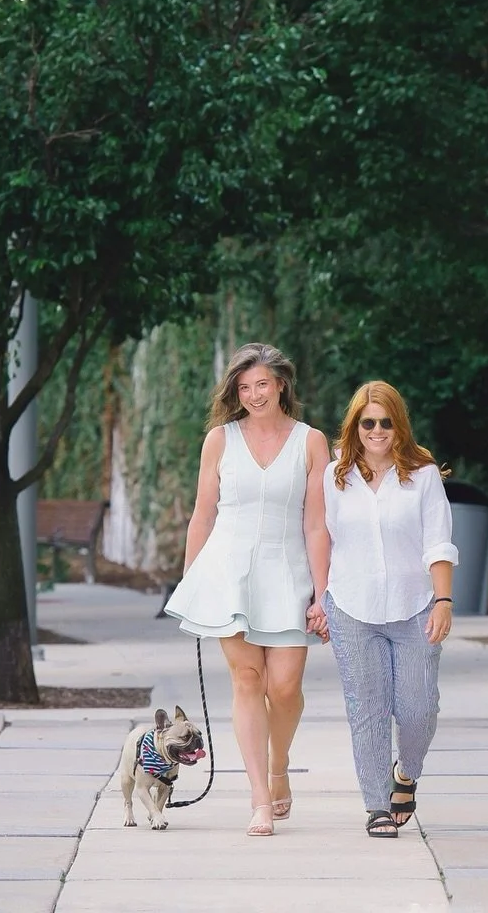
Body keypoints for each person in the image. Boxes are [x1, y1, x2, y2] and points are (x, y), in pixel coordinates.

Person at [162, 343, 331, 837]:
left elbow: (317, 524)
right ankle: (259, 798)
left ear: (281, 385)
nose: (254, 395)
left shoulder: (311, 441)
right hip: (228, 575)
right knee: (247, 680)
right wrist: (192, 581)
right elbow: (203, 515)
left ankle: (279, 765)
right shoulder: (219, 440)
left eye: (262, 384)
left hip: (289, 573)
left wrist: (323, 594)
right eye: (244, 387)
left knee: (285, 687)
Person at [321, 380, 458, 838]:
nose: (376, 431)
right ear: (355, 426)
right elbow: (323, 538)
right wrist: (319, 597)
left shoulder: (423, 475)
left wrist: (443, 600)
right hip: (351, 607)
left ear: (399, 425)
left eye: (385, 422)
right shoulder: (335, 475)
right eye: (367, 423)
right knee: (367, 709)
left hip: (415, 605)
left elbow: (439, 541)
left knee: (419, 709)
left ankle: (407, 773)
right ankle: (377, 804)